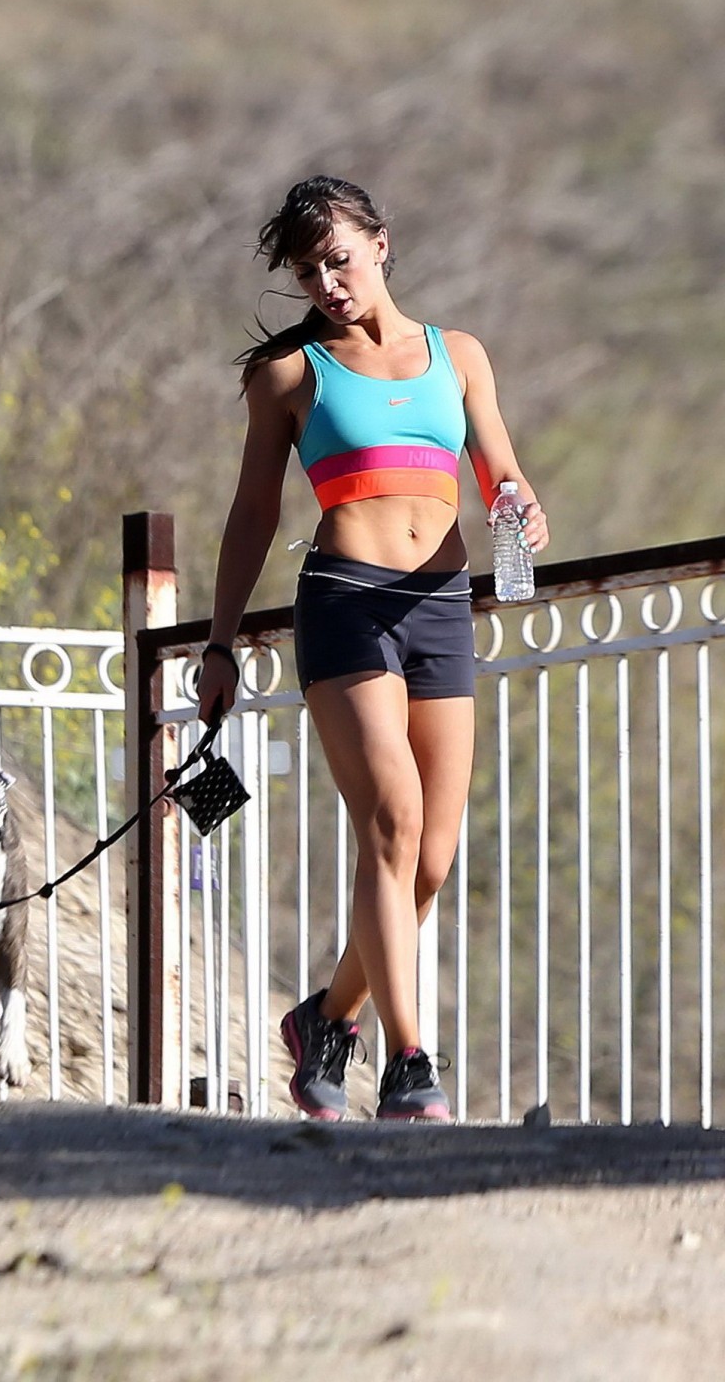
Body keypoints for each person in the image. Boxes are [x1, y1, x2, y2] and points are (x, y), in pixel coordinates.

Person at [196, 176, 549, 1122]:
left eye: (340, 259)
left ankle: (324, 1018)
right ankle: (408, 1063)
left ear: (380, 244)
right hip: (346, 605)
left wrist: (521, 502)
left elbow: (500, 470)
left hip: (439, 605)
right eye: (309, 271)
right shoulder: (287, 375)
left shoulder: (458, 355)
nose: (328, 282)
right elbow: (253, 514)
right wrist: (221, 641)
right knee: (388, 822)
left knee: (429, 859)